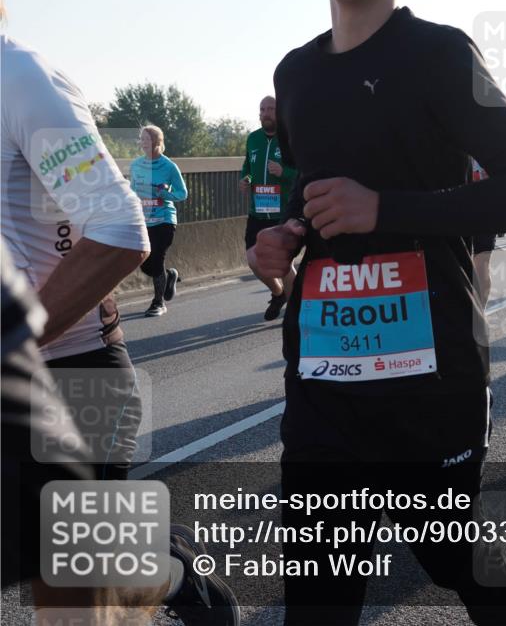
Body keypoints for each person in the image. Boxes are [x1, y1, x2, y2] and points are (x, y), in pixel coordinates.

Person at [250, 0, 506, 623]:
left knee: (456, 560)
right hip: (324, 385)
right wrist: (285, 235)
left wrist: (385, 209)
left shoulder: (442, 55)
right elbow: (311, 191)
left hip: (430, 381)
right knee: (317, 601)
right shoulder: (295, 73)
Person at [1, 34, 240, 625]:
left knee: (72, 611)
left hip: (67, 379)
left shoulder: (18, 77)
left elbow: (117, 229)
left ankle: (171, 571)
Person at [241, 95, 300, 320]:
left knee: (283, 263)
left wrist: (283, 173)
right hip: (257, 211)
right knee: (253, 260)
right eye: (262, 109)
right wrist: (245, 178)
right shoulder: (253, 139)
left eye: (271, 109)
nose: (266, 113)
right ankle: (278, 293)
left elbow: (303, 173)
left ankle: (297, 311)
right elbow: (247, 165)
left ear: (280, 111)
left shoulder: (289, 139)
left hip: (283, 212)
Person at [129, 125, 188, 316]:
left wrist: (165, 193)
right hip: (144, 220)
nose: (145, 143)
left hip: (164, 219)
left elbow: (182, 193)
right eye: (143, 139)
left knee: (157, 258)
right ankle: (170, 275)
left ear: (158, 143)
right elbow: (132, 191)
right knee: (145, 262)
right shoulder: (136, 165)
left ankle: (158, 302)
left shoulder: (169, 166)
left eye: (149, 139)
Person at [470, 157, 496, 302]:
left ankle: (479, 313)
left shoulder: (492, 140)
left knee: (481, 263)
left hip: (486, 209)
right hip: (456, 208)